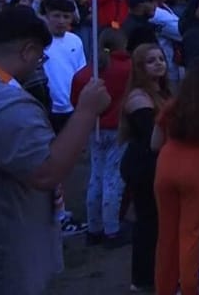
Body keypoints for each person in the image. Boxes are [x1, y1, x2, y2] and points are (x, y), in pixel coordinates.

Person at [0, 6, 111, 295]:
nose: (39, 65)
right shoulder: (7, 104)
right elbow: (45, 171)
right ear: (28, 50)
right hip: (3, 258)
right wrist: (86, 112)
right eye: (41, 57)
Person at [154, 57, 199, 295]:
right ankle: (190, 289)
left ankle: (164, 289)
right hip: (197, 169)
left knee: (166, 234)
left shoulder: (173, 105)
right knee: (190, 234)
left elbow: (154, 143)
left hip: (166, 164)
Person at [71, 27, 134, 247]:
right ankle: (112, 229)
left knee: (96, 177)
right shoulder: (128, 69)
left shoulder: (87, 73)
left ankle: (94, 227)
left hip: (95, 127)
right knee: (113, 178)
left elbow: (75, 98)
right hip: (118, 127)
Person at [122, 42, 173, 292]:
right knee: (148, 222)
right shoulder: (138, 98)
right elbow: (149, 135)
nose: (159, 64)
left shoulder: (163, 93)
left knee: (162, 220)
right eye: (151, 61)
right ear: (140, 67)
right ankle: (143, 277)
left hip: (160, 162)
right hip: (144, 165)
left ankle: (168, 268)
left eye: (161, 59)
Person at [40, 0, 88, 133]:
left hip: (72, 107)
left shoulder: (75, 40)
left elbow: (81, 72)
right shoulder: (38, 42)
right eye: (56, 16)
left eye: (66, 17)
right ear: (48, 16)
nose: (61, 21)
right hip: (46, 108)